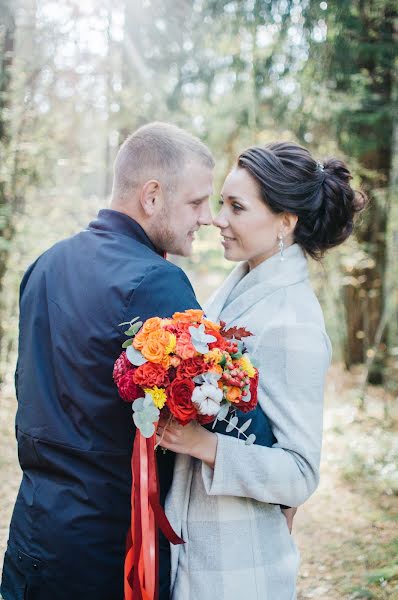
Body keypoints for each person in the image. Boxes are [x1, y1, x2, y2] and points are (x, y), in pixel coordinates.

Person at [0, 122, 215, 600]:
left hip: (34, 529)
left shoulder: (44, 264)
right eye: (197, 202)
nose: (207, 218)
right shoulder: (158, 283)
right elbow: (209, 409)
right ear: (153, 196)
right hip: (109, 551)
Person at [158, 142, 366, 599]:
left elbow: (299, 473)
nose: (217, 219)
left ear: (285, 223)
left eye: (236, 207)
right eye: (220, 204)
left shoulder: (293, 323)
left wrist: (205, 445)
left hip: (239, 564)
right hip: (193, 546)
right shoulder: (234, 292)